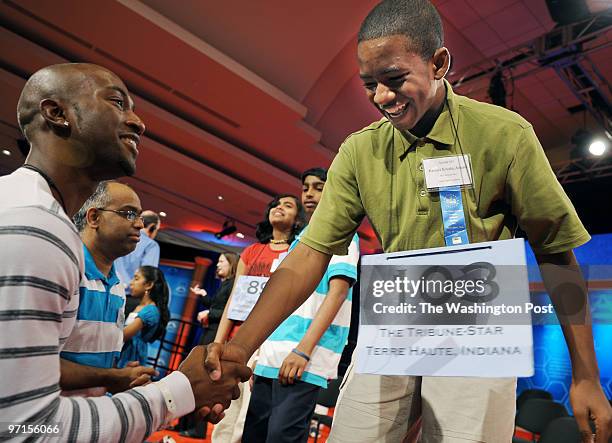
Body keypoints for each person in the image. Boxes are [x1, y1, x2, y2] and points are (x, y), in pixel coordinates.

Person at [204, 1, 612, 442]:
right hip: (392, 323)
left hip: (479, 331)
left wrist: (586, 376)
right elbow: (309, 254)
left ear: (438, 63)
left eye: (395, 79)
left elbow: (556, 255)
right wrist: (240, 348)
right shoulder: (358, 152)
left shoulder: (504, 134)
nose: (381, 97)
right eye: (369, 84)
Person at [0, 63, 250, 442]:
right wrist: (178, 391)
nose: (138, 122)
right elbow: (26, 428)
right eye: (117, 102)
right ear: (57, 113)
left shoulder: (32, 215)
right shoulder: (35, 229)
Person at [242, 168, 359, 443]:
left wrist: (303, 352)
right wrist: (260, 352)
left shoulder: (343, 234)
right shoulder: (299, 240)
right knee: (254, 438)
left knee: (281, 438)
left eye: (318, 187)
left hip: (303, 358)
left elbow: (337, 294)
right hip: (271, 356)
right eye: (306, 187)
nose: (309, 193)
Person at [212, 195, 306, 443]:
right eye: (276, 204)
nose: (279, 208)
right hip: (237, 341)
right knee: (226, 410)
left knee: (249, 417)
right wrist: (220, 342)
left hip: (269, 344)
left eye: (288, 206)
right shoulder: (252, 251)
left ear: (298, 219)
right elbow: (234, 300)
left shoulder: (297, 253)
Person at [60, 180, 155, 397]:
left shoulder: (117, 286)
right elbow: (33, 365)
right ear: (94, 217)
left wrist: (117, 375)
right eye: (129, 214)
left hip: (89, 418)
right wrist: (111, 377)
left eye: (139, 216)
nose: (140, 224)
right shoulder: (66, 268)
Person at [180, 252, 241, 438]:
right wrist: (204, 296)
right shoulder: (224, 284)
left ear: (231, 264)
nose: (218, 264)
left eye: (222, 261)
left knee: (204, 381)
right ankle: (186, 423)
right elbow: (217, 305)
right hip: (209, 333)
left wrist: (208, 313)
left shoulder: (232, 285)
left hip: (216, 337)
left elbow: (226, 311)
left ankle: (197, 429)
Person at [118, 266, 170, 367]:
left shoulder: (150, 311)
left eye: (136, 278)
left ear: (149, 285)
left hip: (131, 359)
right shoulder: (139, 306)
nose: (131, 283)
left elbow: (123, 335)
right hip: (123, 354)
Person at [115, 210, 161, 315]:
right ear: (152, 227)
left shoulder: (121, 237)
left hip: (109, 291)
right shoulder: (151, 245)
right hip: (130, 298)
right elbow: (147, 274)